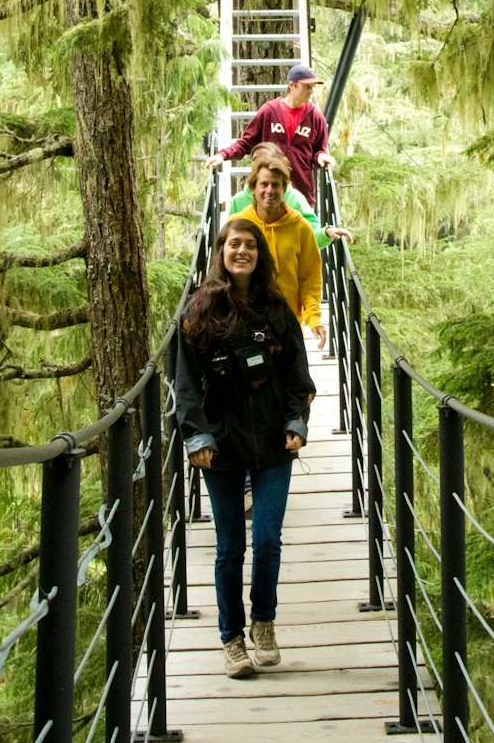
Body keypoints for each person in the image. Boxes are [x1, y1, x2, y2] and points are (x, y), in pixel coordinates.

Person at [175, 217, 315, 678]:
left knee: (269, 538)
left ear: (260, 255)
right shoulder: (199, 309)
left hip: (274, 442)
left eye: (250, 246)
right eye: (234, 244)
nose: (242, 252)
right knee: (230, 544)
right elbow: (186, 384)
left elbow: (299, 376)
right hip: (221, 447)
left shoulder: (275, 308)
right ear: (220, 251)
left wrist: (297, 420)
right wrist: (196, 436)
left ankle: (264, 621)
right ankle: (231, 637)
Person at [232, 148, 328, 351]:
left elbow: (310, 278)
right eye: (263, 185)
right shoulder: (237, 225)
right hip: (244, 322)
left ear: (284, 189)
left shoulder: (300, 227)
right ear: (253, 189)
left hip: (287, 324)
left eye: (276, 185)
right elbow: (221, 272)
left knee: (295, 383)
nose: (269, 191)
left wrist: (314, 317)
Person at [209, 63, 334, 206]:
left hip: (300, 195)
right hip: (268, 194)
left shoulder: (316, 117)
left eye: (312, 87)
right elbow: (246, 143)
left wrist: (321, 156)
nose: (311, 91)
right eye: (307, 86)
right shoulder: (269, 111)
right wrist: (222, 155)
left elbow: (318, 151)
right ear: (292, 86)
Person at [228, 142, 355, 248]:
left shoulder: (295, 199)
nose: (260, 164)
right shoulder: (239, 201)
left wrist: (326, 233)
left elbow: (310, 236)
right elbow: (229, 240)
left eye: (266, 159)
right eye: (255, 160)